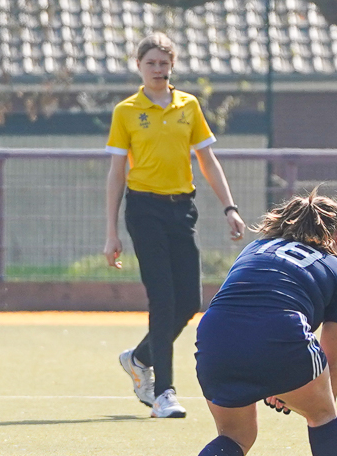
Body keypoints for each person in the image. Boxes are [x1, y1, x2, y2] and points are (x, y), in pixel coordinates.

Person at [166, 190, 337, 456]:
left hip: (215, 334)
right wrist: (324, 415)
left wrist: (282, 385)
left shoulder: (253, 249)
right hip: (281, 335)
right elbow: (332, 356)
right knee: (322, 416)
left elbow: (248, 305)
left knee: (234, 434)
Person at [103, 32, 245, 419]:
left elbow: (207, 160)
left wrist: (229, 207)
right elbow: (117, 173)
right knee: (162, 302)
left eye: (164, 63)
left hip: (182, 210)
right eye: (150, 63)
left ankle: (139, 357)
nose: (158, 70)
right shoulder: (127, 111)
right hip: (144, 210)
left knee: (189, 302)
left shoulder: (189, 105)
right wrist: (111, 231)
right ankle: (164, 392)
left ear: (172, 65)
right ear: (139, 66)